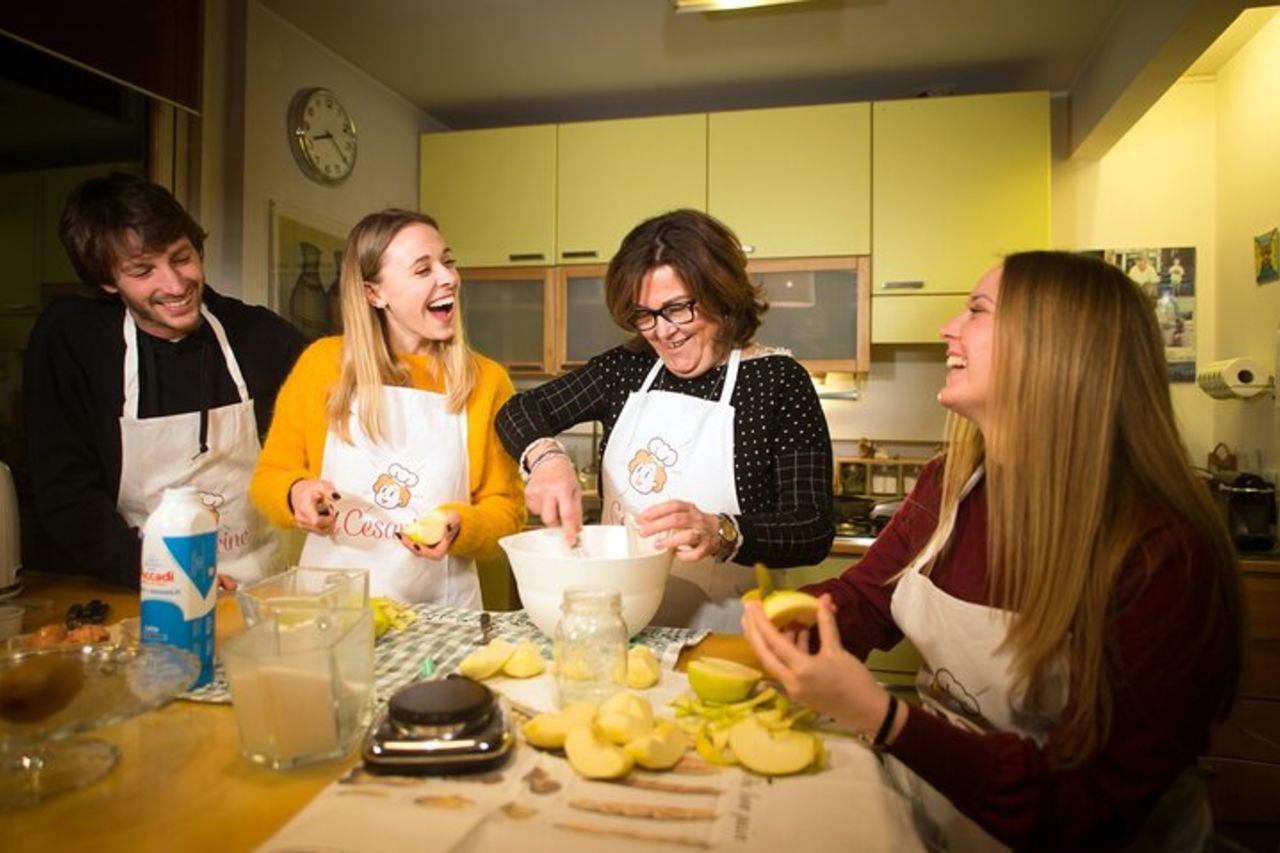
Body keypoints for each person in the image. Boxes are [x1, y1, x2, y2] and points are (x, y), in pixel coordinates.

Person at [742, 250, 1244, 851]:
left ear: (1054, 347)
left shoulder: (1162, 553)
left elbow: (1092, 810)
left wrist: (884, 716)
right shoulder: (949, 483)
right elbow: (865, 600)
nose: (947, 329)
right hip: (938, 819)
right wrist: (792, 620)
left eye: (977, 310)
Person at [496, 209, 833, 632]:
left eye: (677, 309)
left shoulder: (777, 382)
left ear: (721, 294)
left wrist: (720, 532)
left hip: (726, 637)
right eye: (645, 315)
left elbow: (812, 527)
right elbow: (519, 411)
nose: (663, 332)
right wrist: (545, 458)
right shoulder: (627, 369)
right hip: (618, 629)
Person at [23, 172, 306, 589]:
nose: (175, 285)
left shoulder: (258, 334)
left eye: (181, 257)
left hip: (260, 585)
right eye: (142, 271)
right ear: (106, 280)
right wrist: (168, 576)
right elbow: (67, 495)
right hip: (145, 587)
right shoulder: (73, 341)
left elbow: (336, 415)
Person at [250, 209, 524, 605]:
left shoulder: (486, 381)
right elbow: (269, 476)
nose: (448, 278)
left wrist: (460, 525)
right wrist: (296, 494)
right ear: (373, 293)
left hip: (442, 618)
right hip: (332, 610)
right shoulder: (322, 365)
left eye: (447, 262)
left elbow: (507, 511)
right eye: (422, 269)